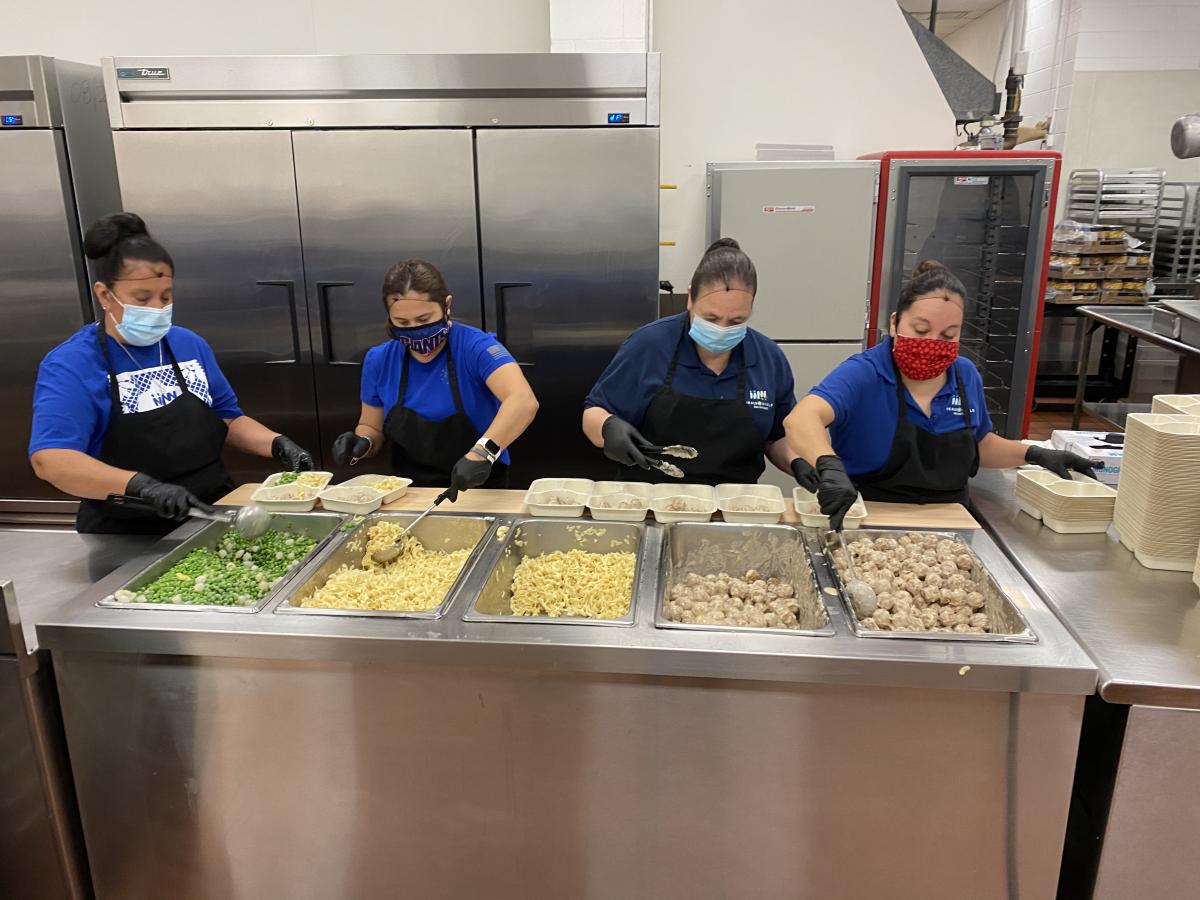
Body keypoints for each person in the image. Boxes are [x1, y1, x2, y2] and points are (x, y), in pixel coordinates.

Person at [29, 213, 313, 534]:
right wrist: (143, 487)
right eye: (141, 298)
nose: (156, 308)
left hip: (212, 512)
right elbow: (51, 459)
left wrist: (277, 444)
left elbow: (227, 418)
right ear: (105, 295)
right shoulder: (72, 363)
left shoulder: (187, 344)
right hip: (128, 529)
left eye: (165, 297)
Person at [784, 260, 1099, 528]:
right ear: (895, 323)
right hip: (871, 517)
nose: (932, 342)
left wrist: (1034, 454)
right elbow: (802, 419)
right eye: (921, 330)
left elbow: (980, 445)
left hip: (952, 518)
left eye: (948, 335)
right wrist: (829, 467)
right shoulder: (865, 373)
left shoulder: (964, 375)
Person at [582, 238, 798, 485]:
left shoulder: (768, 358)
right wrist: (609, 427)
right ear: (690, 299)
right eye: (711, 317)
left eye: (736, 321)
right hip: (651, 500)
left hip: (733, 507)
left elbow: (778, 437)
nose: (722, 329)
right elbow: (593, 413)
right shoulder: (650, 345)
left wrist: (800, 464)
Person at [330, 259, 538, 494]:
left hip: (481, 483)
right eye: (402, 322)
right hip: (409, 489)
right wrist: (363, 443)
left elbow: (523, 400)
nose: (415, 330)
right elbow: (371, 426)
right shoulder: (379, 360)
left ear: (446, 305)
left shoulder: (476, 348)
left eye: (423, 320)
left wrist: (482, 453)